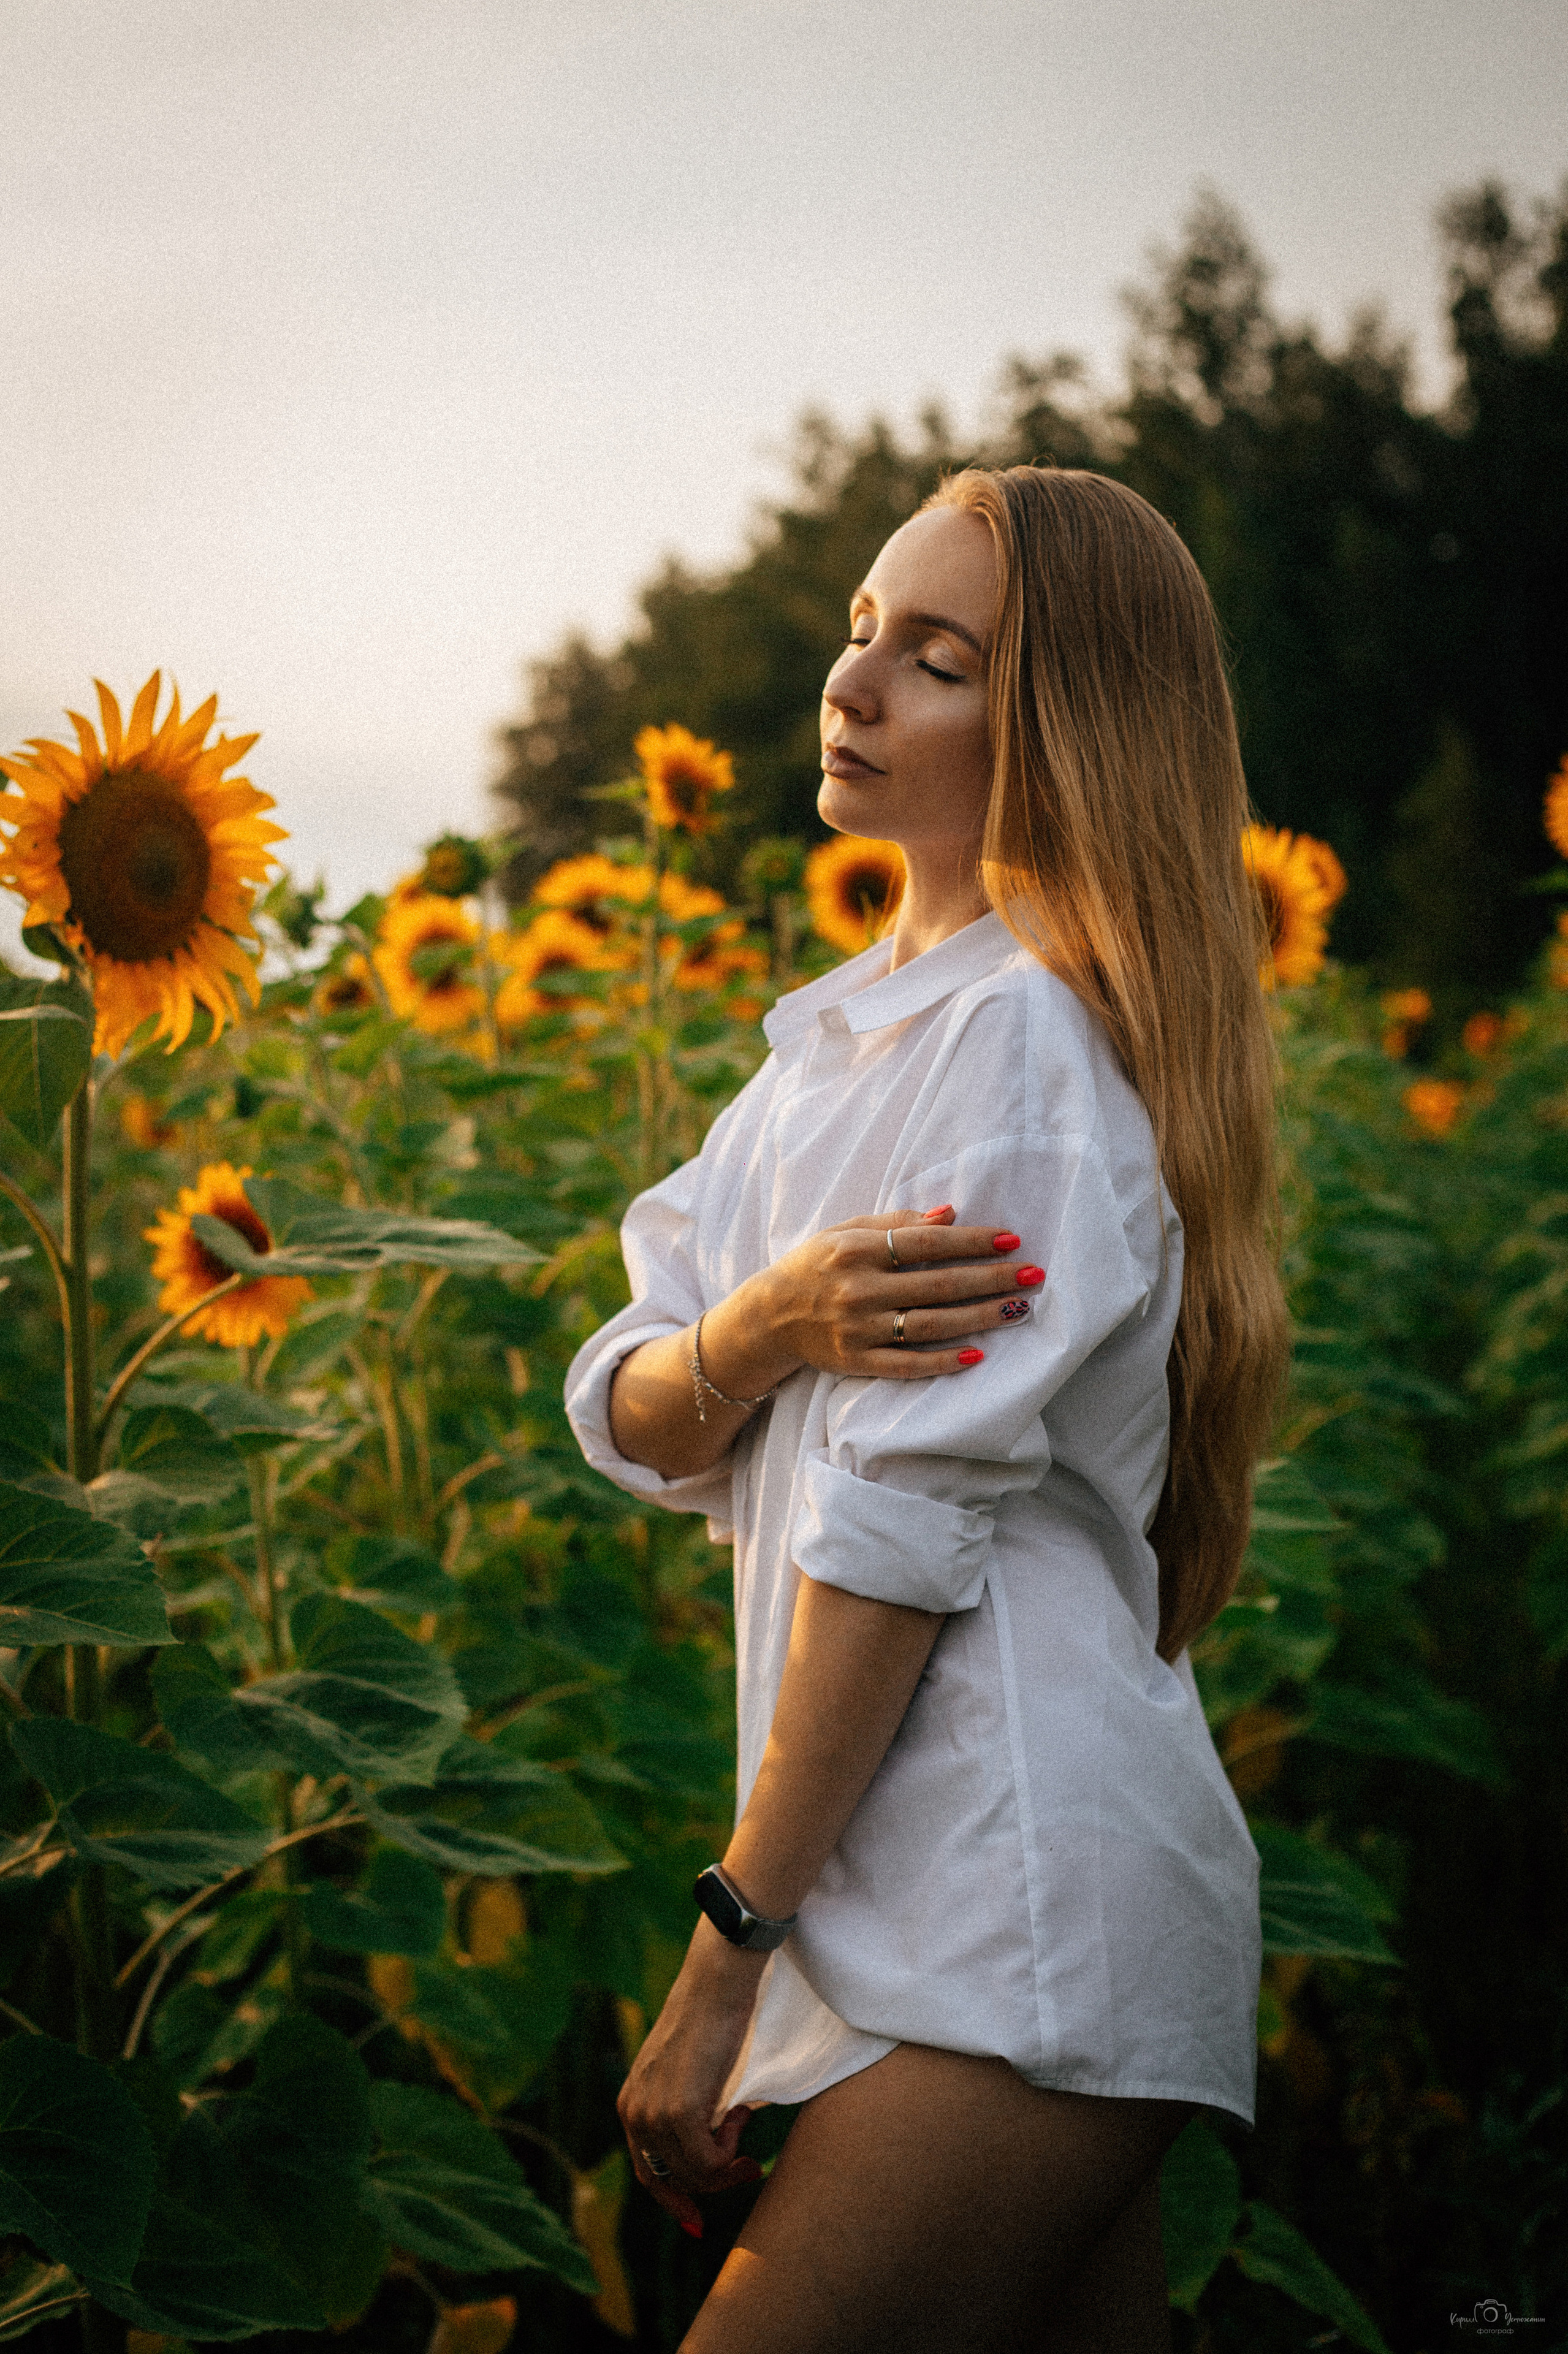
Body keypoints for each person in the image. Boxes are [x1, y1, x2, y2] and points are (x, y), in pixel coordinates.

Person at [563, 464, 1288, 2353]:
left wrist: (726, 1954)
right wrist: (763, 1331)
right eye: (863, 632)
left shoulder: (1020, 1048)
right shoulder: (828, 1047)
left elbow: (890, 1543)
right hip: (961, 1911)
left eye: (938, 659)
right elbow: (630, 1403)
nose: (855, 684)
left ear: (1057, 730)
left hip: (1015, 1905)